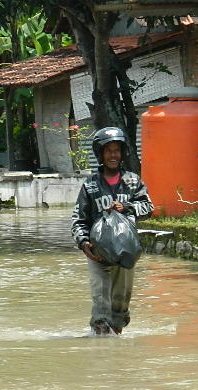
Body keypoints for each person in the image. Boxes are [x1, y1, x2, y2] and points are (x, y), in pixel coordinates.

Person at [71, 127, 154, 335]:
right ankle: (100, 339)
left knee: (121, 301)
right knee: (100, 298)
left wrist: (128, 207)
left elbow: (148, 208)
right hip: (97, 252)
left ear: (123, 152)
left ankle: (116, 339)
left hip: (125, 250)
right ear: (100, 154)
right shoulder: (90, 185)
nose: (113, 155)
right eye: (108, 151)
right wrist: (83, 243)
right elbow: (79, 219)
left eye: (117, 150)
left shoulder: (133, 181)